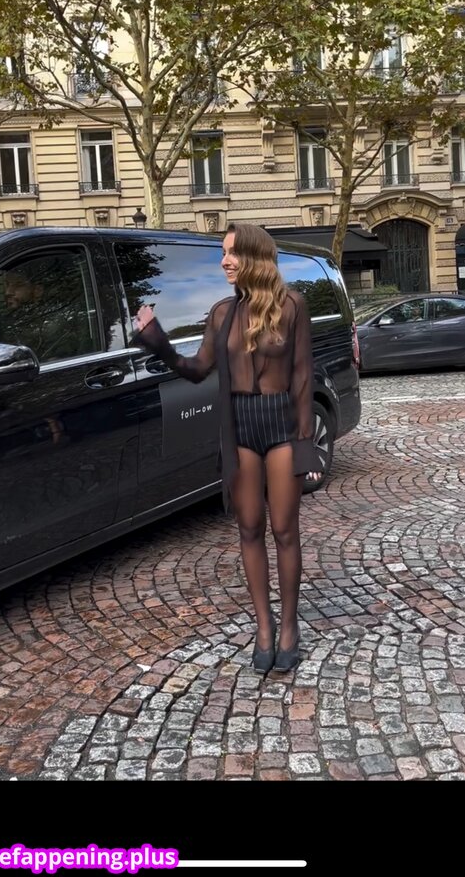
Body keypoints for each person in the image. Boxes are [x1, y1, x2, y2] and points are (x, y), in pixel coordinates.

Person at [135, 222, 323, 674]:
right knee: (249, 529)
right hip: (239, 429)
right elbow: (197, 369)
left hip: (281, 425)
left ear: (255, 256)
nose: (224, 261)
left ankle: (289, 627)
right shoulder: (222, 313)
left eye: (233, 252)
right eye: (223, 253)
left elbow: (302, 377)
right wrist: (158, 341)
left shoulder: (292, 305)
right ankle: (264, 627)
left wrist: (305, 445)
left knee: (284, 530)